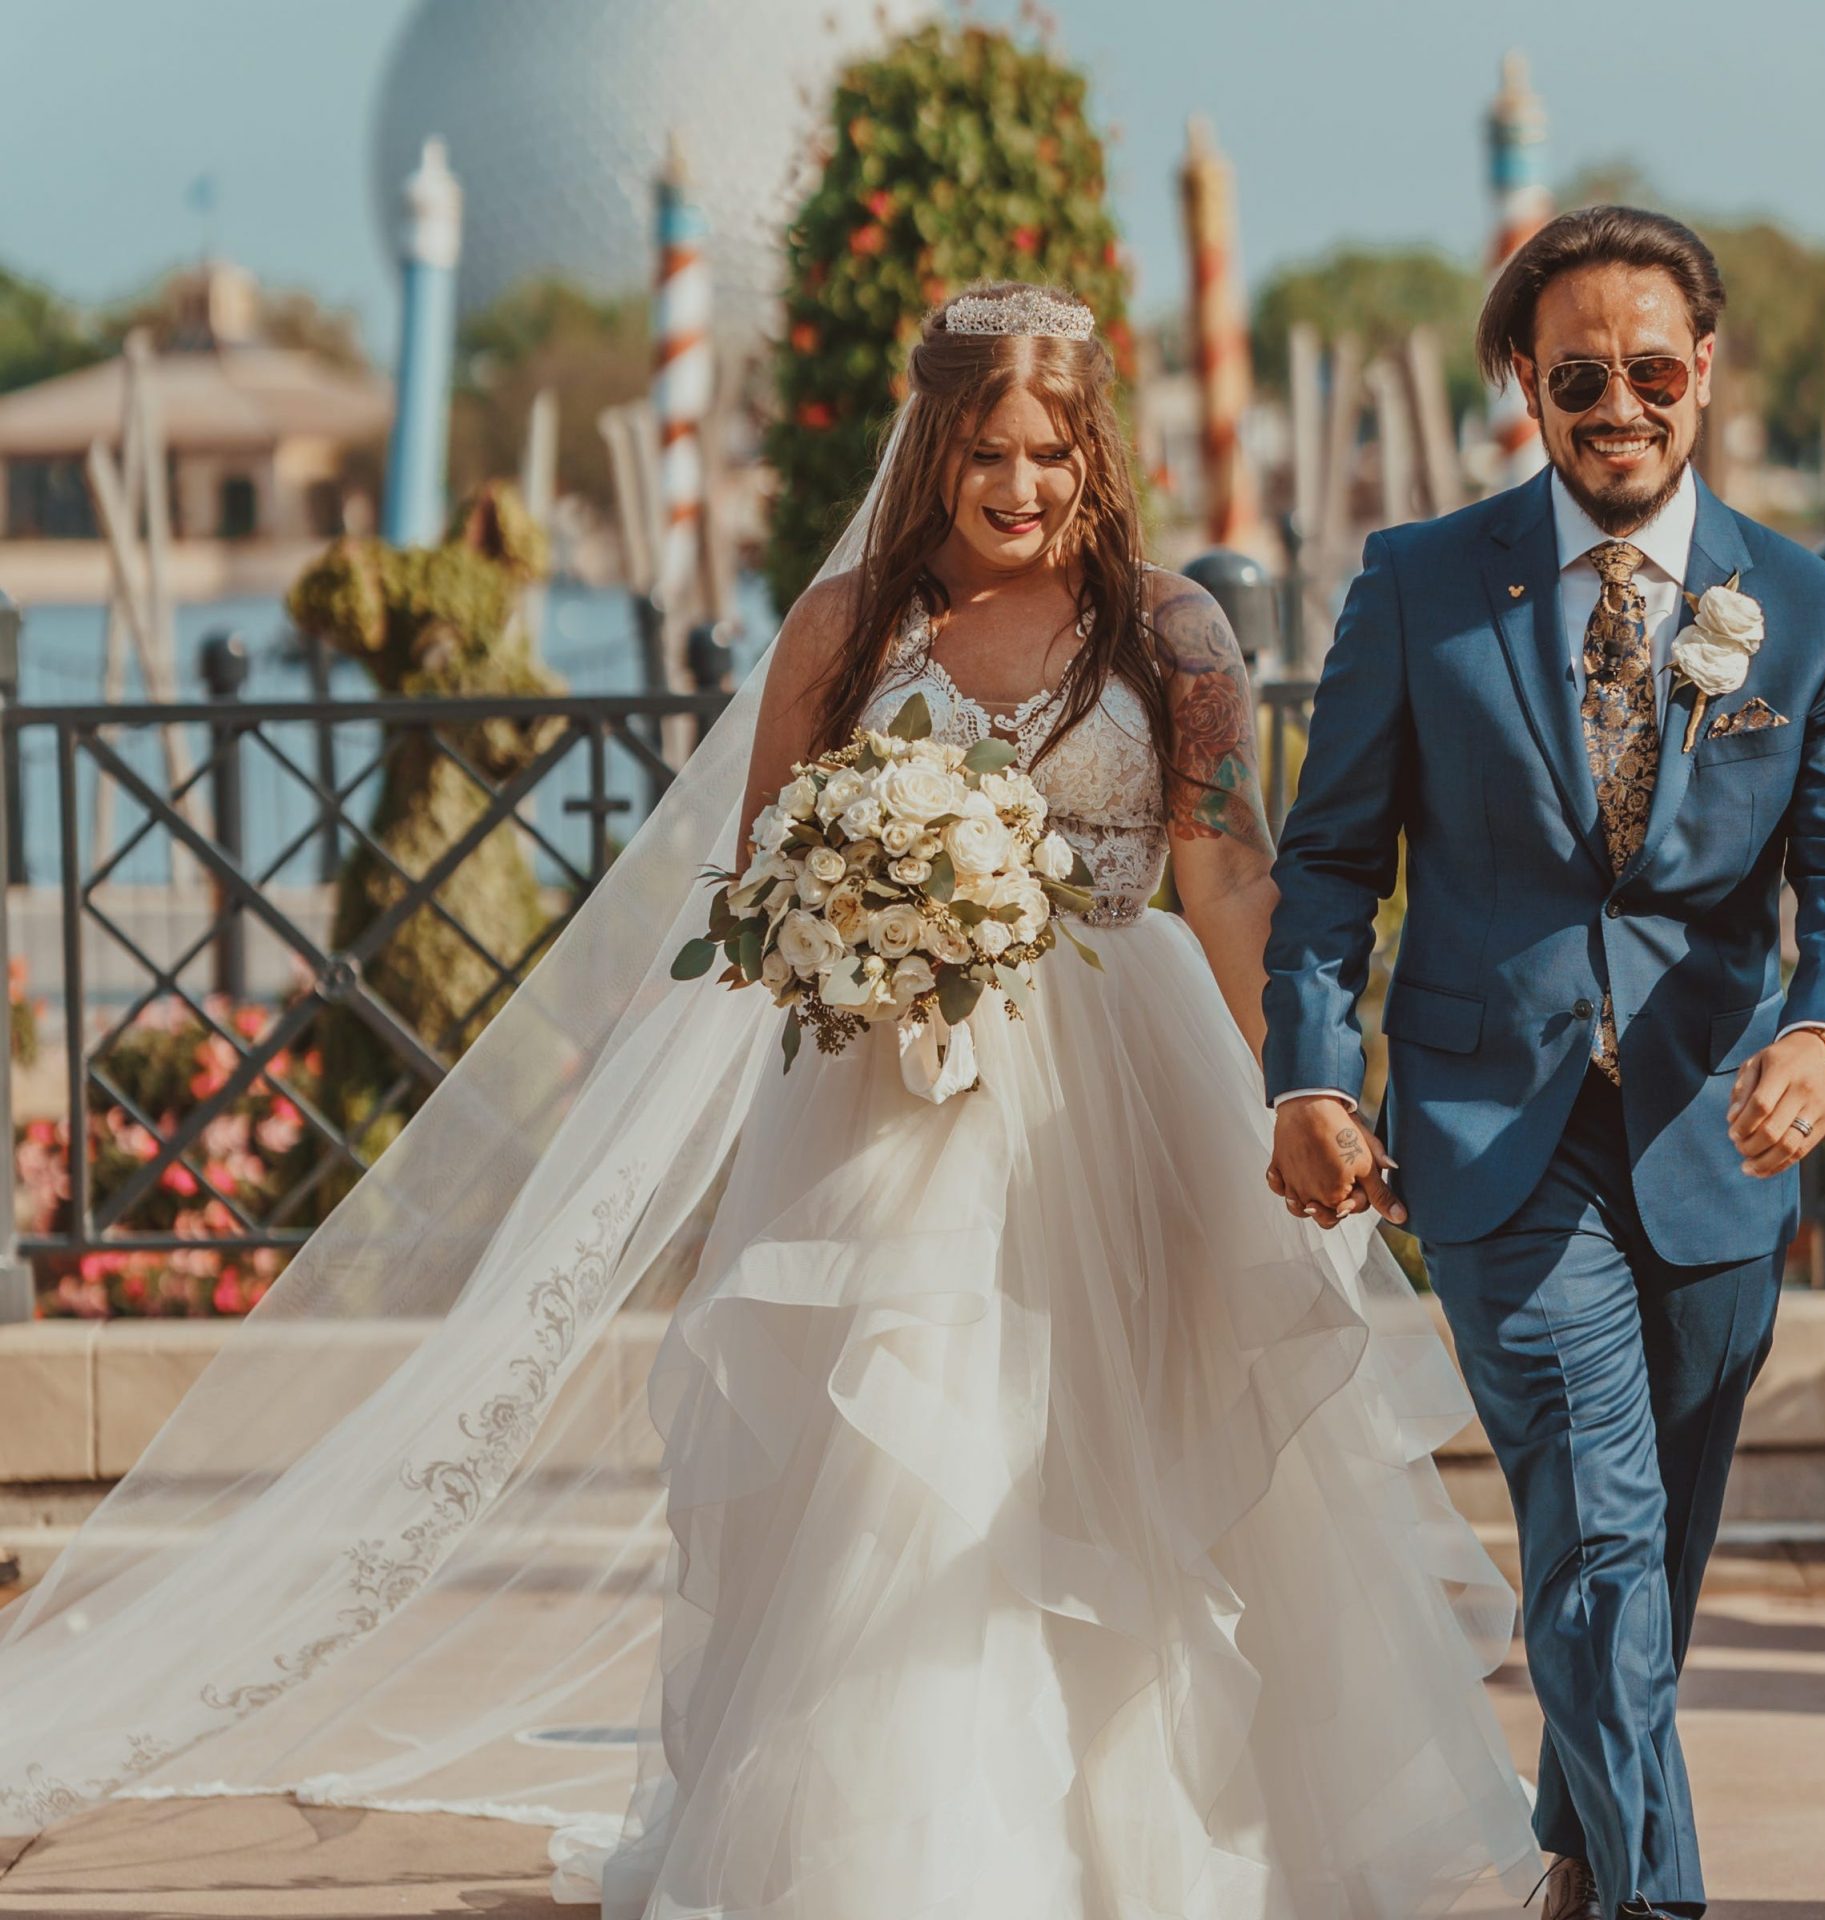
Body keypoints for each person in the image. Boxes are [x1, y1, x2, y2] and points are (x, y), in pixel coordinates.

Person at [0, 284, 1539, 1918]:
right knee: (912, 1458)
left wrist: (1298, 1089)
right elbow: (756, 890)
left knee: (1145, 1465)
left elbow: (1229, 880)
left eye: (1054, 456)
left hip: (1129, 1091)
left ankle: (1166, 1842)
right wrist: (862, 931)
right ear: (934, 450)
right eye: (989, 456)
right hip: (893, 1107)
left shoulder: (1171, 634)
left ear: (1096, 456)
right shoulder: (849, 637)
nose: (1023, 489)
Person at [1264, 209, 1825, 1920]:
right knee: (1603, 1516)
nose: (1614, 404)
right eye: (1575, 375)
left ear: (1703, 370)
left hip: (1723, 1137)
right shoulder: (1417, 585)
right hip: (1492, 1134)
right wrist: (1313, 1077)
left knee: (1645, 1544)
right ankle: (1656, 1895)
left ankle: (1581, 1837)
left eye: (1647, 369)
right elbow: (1331, 860)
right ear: (1524, 390)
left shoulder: (1815, 612)